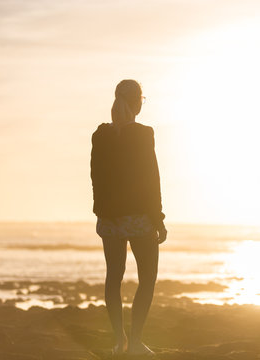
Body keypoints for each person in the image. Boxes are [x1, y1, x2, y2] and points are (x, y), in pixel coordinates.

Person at [90, 79, 167, 356]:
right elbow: (151, 180)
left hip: (110, 220)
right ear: (138, 103)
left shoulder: (100, 135)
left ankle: (118, 341)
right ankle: (135, 342)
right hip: (138, 219)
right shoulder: (143, 134)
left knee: (114, 278)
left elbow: (95, 177)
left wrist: (102, 213)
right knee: (147, 279)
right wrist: (158, 218)